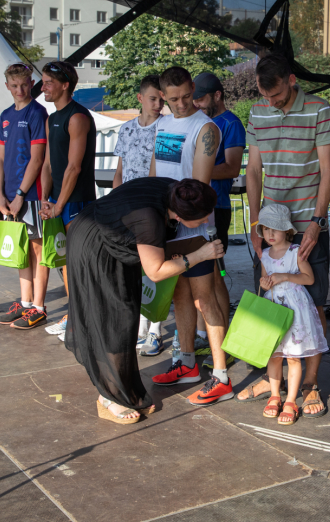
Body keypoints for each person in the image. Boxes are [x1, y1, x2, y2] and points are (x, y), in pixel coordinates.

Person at [65, 177, 224, 424]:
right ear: (181, 217)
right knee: (112, 318)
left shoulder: (176, 190)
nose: (206, 221)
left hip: (111, 239)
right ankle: (108, 396)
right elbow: (156, 271)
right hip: (94, 248)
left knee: (126, 314)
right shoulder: (150, 219)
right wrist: (199, 255)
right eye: (202, 218)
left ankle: (120, 385)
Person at [240, 53, 330, 418]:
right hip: (269, 229)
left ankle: (310, 384)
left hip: (308, 226)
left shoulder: (319, 110)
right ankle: (275, 378)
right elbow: (252, 170)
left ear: (292, 79)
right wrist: (254, 224)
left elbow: (328, 170)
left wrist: (315, 219)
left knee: (312, 306)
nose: (272, 102)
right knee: (268, 305)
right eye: (265, 96)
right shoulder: (257, 112)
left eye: (277, 95)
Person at [147, 66, 231, 406]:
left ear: (193, 88)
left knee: (203, 299)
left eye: (186, 96)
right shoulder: (163, 123)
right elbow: (155, 172)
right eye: (173, 99)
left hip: (194, 226)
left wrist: (182, 218)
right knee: (179, 296)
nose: (181, 104)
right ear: (164, 97)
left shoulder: (206, 127)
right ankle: (186, 363)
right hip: (166, 224)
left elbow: (198, 187)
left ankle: (222, 376)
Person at [256, 204, 329, 426]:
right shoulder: (265, 254)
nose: (269, 234)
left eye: (274, 229)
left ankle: (290, 401)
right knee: (274, 355)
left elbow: (309, 278)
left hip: (295, 309)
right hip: (274, 309)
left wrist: (285, 276)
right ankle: (275, 395)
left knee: (293, 356)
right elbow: (265, 282)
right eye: (266, 229)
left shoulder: (295, 252)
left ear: (287, 231)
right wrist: (265, 282)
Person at [192, 71, 247, 368]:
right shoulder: (199, 121)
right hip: (192, 209)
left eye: (201, 98)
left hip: (217, 207)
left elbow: (232, 168)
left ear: (217, 95)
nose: (197, 104)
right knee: (199, 276)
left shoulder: (231, 123)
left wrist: (196, 170)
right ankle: (206, 336)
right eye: (194, 99)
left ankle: (221, 340)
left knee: (215, 274)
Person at [0, 63, 51, 330]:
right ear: (7, 87)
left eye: (24, 84)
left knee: (38, 250)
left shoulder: (38, 112)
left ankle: (39, 306)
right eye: (14, 85)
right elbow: (1, 158)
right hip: (11, 195)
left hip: (32, 194)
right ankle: (25, 303)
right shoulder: (5, 115)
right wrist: (0, 194)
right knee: (20, 250)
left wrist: (20, 194)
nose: (20, 89)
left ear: (32, 83)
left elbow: (38, 159)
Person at [112, 75, 166, 355]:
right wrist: (116, 201)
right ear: (140, 98)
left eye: (161, 99)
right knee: (133, 267)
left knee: (155, 268)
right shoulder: (126, 130)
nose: (158, 104)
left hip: (153, 205)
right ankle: (141, 323)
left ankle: (155, 328)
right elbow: (119, 171)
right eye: (153, 98)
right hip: (128, 207)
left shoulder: (165, 128)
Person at [39, 61, 97, 300]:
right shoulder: (51, 118)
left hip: (76, 201)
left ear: (65, 85)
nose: (43, 88)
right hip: (56, 200)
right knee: (63, 260)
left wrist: (59, 205)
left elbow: (74, 168)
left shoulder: (77, 117)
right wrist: (44, 199)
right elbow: (48, 164)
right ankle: (74, 314)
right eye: (43, 82)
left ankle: (79, 318)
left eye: (48, 83)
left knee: (77, 261)